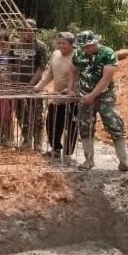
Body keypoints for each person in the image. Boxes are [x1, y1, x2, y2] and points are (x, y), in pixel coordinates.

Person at [68, 30, 128, 172]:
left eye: (89, 46)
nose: (87, 49)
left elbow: (106, 79)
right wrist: (71, 88)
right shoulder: (78, 54)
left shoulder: (107, 53)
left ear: (95, 42)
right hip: (84, 96)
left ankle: (124, 162)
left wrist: (92, 96)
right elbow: (73, 70)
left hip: (104, 96)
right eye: (84, 47)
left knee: (115, 124)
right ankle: (88, 160)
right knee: (85, 126)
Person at [34, 31, 78, 163]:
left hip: (71, 99)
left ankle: (68, 153)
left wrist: (71, 90)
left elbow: (80, 77)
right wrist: (39, 87)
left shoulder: (77, 56)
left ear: (71, 45)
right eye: (59, 43)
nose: (61, 46)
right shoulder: (55, 55)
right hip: (57, 97)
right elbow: (49, 74)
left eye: (64, 43)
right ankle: (56, 149)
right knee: (52, 124)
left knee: (70, 126)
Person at [13, 19, 48, 150]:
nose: (25, 32)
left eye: (28, 30)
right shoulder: (15, 45)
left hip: (35, 85)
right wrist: (12, 80)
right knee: (21, 113)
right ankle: (26, 139)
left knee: (37, 113)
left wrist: (31, 84)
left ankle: (38, 142)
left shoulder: (40, 46)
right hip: (18, 85)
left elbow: (41, 67)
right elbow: (12, 63)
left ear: (34, 31)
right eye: (23, 30)